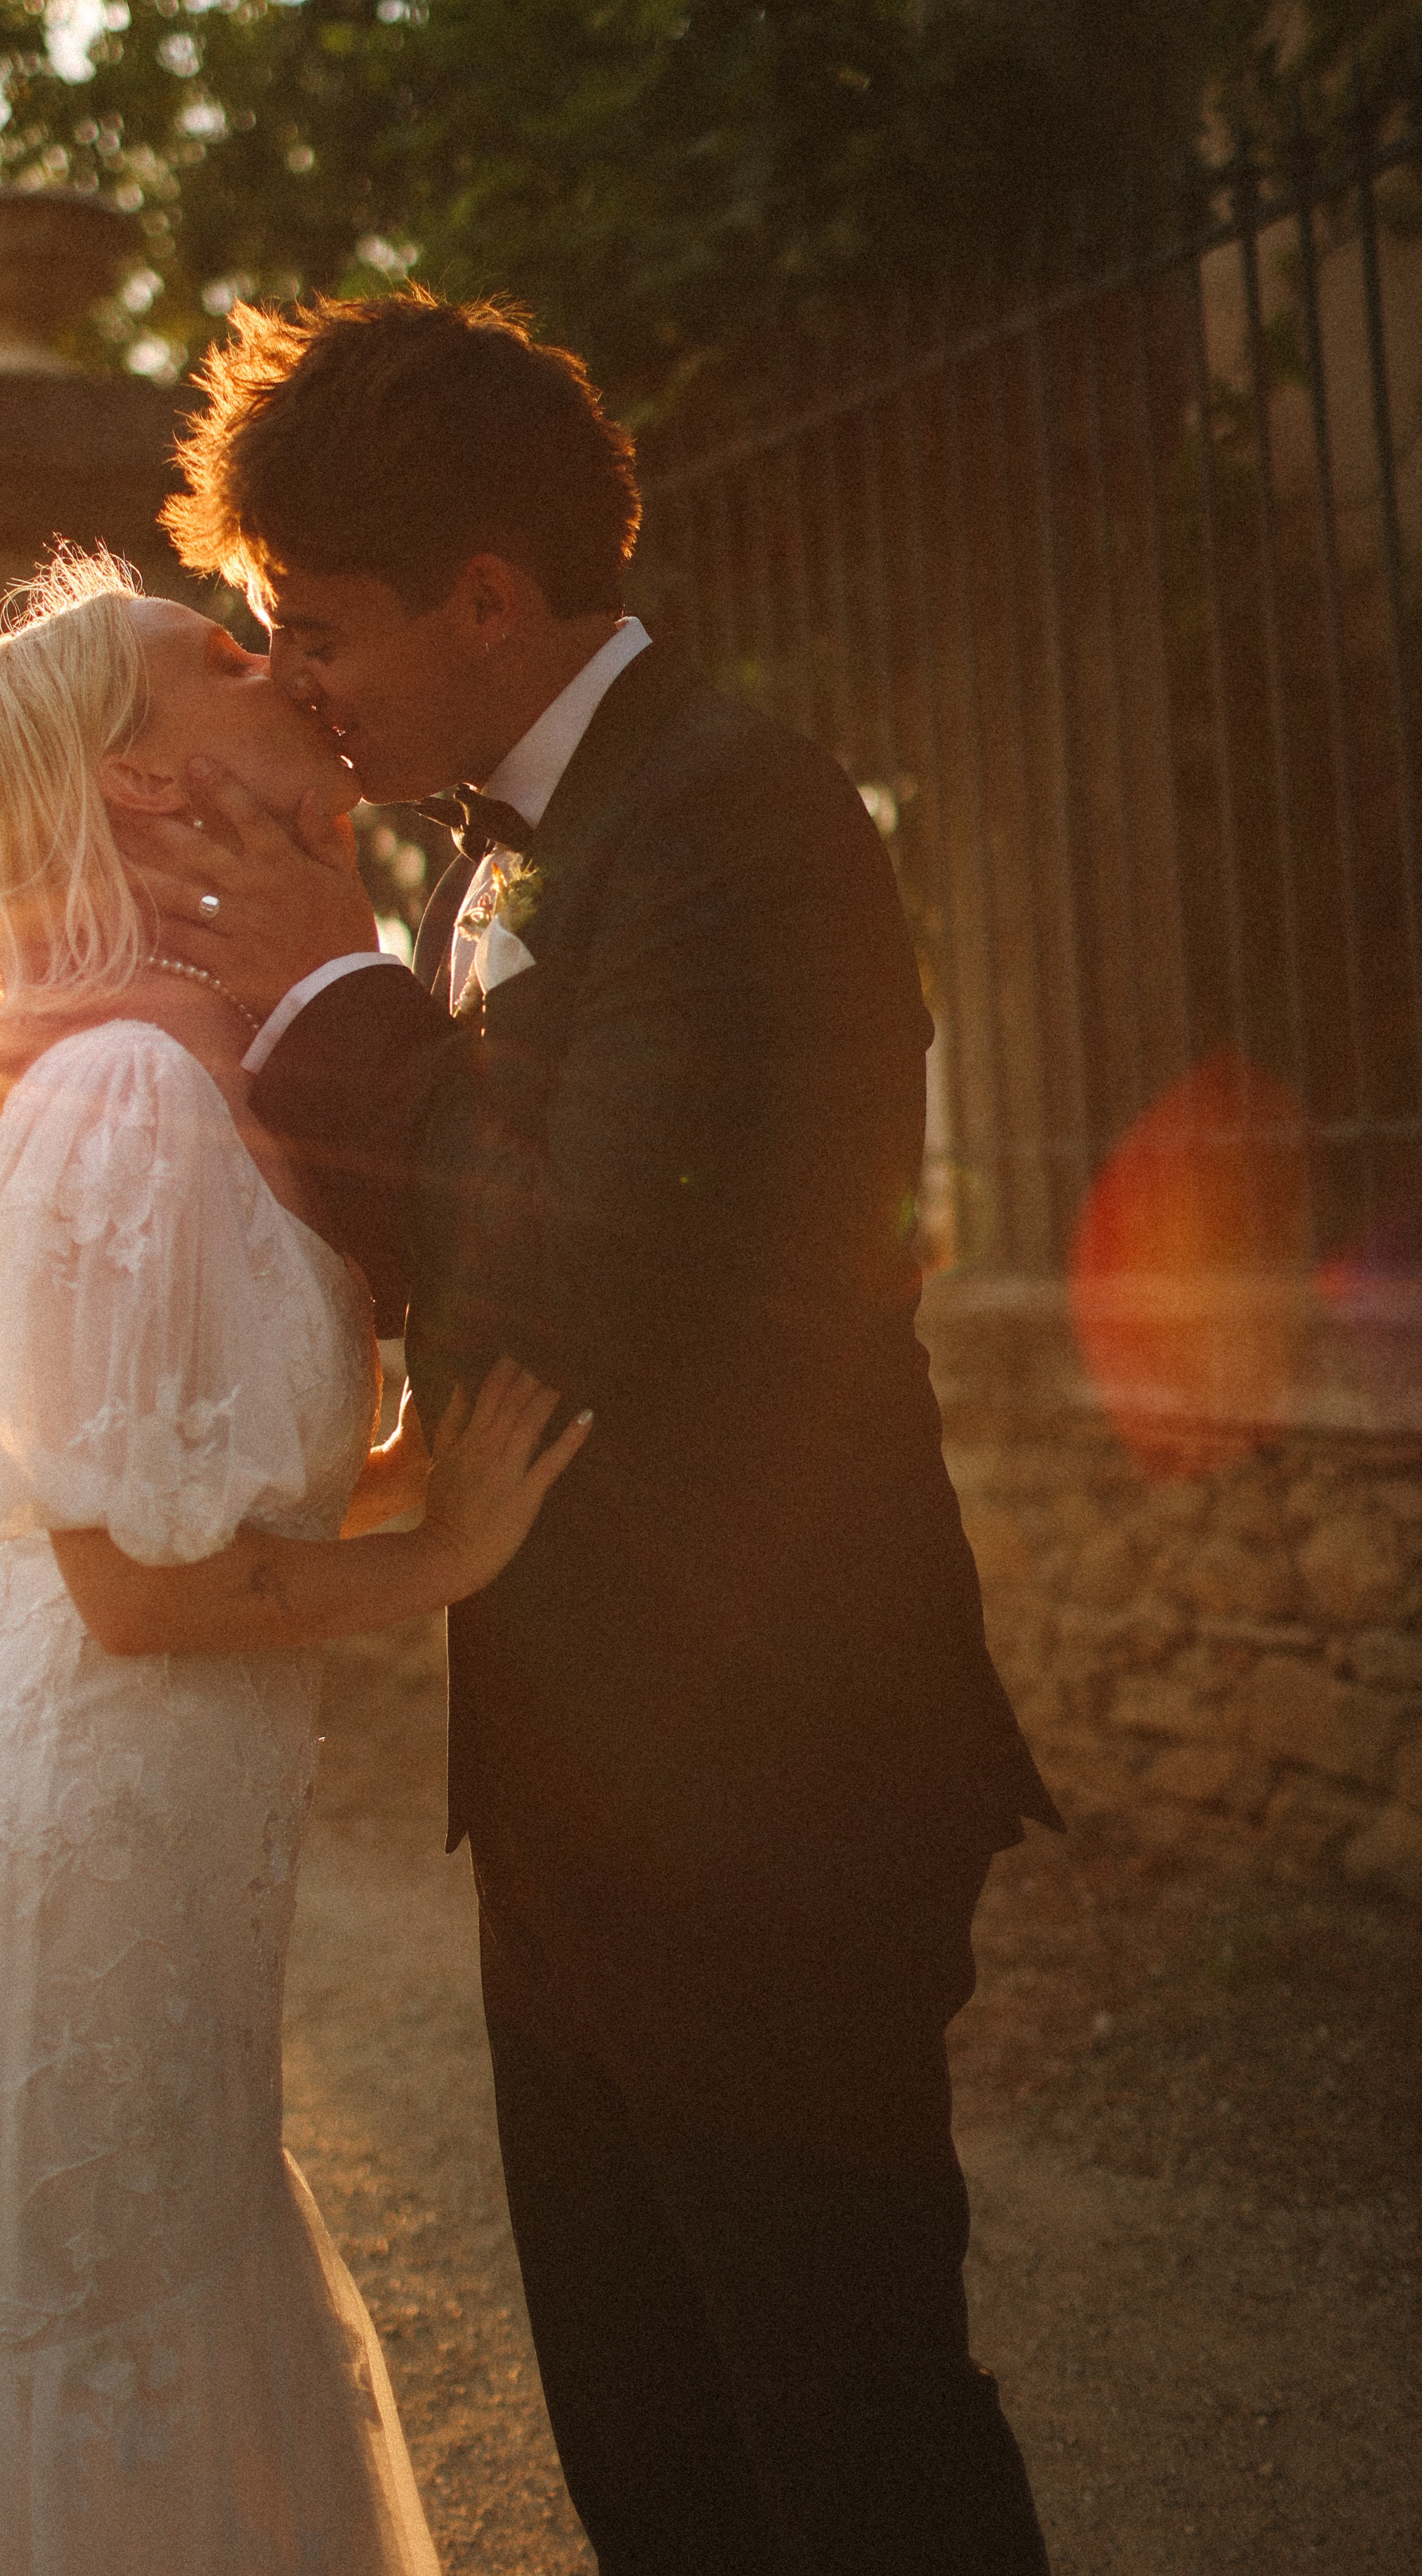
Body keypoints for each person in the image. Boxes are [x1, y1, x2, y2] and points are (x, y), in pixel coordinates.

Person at [138, 290, 1066, 2576]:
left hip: (774, 1777)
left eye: (316, 624)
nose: (291, 675)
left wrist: (328, 989)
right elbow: (435, 1254)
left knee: (841, 2432)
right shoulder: (485, 849)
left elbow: (591, 1277)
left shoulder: (738, 814)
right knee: (645, 2438)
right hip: (566, 1779)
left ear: (484, 596)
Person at [0, 549, 590, 2576]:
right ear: (142, 785)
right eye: (223, 657)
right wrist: (447, 1553)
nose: (282, 662)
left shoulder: (227, 1062)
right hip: (41, 1884)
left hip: (152, 1878)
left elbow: (225, 1493)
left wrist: (408, 1470)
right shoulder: (126, 1092)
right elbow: (137, 1592)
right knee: (92, 2411)